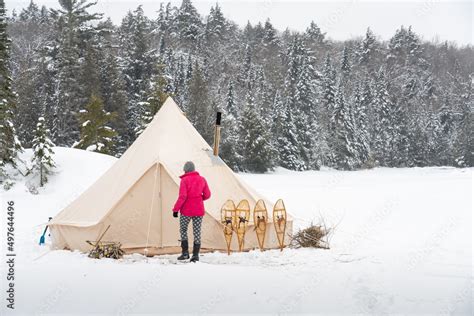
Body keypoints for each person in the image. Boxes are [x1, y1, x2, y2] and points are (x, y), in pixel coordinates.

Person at [172, 161, 211, 262]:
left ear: (186, 170)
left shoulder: (184, 180)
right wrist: (198, 198)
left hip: (186, 211)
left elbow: (182, 196)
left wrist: (176, 209)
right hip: (199, 210)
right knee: (197, 232)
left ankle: (185, 253)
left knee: (183, 230)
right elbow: (207, 195)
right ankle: (195, 255)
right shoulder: (202, 179)